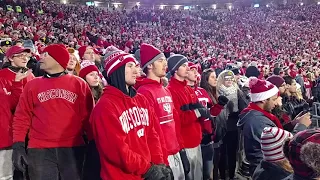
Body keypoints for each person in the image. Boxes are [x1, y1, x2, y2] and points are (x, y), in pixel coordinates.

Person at [12, 44, 95, 180]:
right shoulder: (32, 85)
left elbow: (89, 118)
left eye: (45, 55)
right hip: (39, 150)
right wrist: (18, 145)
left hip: (73, 148)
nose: (41, 57)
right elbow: (22, 117)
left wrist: (93, 144)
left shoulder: (79, 84)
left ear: (57, 59)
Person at [89, 52, 171, 180]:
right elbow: (117, 151)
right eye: (130, 66)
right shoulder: (104, 107)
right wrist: (148, 169)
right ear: (117, 70)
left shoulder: (141, 100)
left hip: (146, 174)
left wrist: (159, 164)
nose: (136, 70)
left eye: (136, 66)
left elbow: (152, 136)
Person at [237, 77, 309, 176]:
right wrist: (301, 126)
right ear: (263, 100)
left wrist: (292, 124)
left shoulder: (259, 115)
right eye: (274, 99)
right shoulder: (257, 120)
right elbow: (282, 145)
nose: (276, 103)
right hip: (269, 169)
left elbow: (276, 133)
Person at [135, 43, 182, 179]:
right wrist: (161, 161)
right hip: (162, 157)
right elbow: (151, 131)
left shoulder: (165, 89)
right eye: (160, 61)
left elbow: (174, 121)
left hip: (175, 152)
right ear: (149, 65)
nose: (165, 64)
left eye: (164, 61)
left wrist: (180, 149)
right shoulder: (144, 92)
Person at [167, 54, 211, 180]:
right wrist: (198, 112)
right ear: (175, 69)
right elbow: (179, 119)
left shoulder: (188, 88)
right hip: (186, 143)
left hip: (196, 140)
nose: (187, 68)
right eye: (183, 65)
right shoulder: (171, 90)